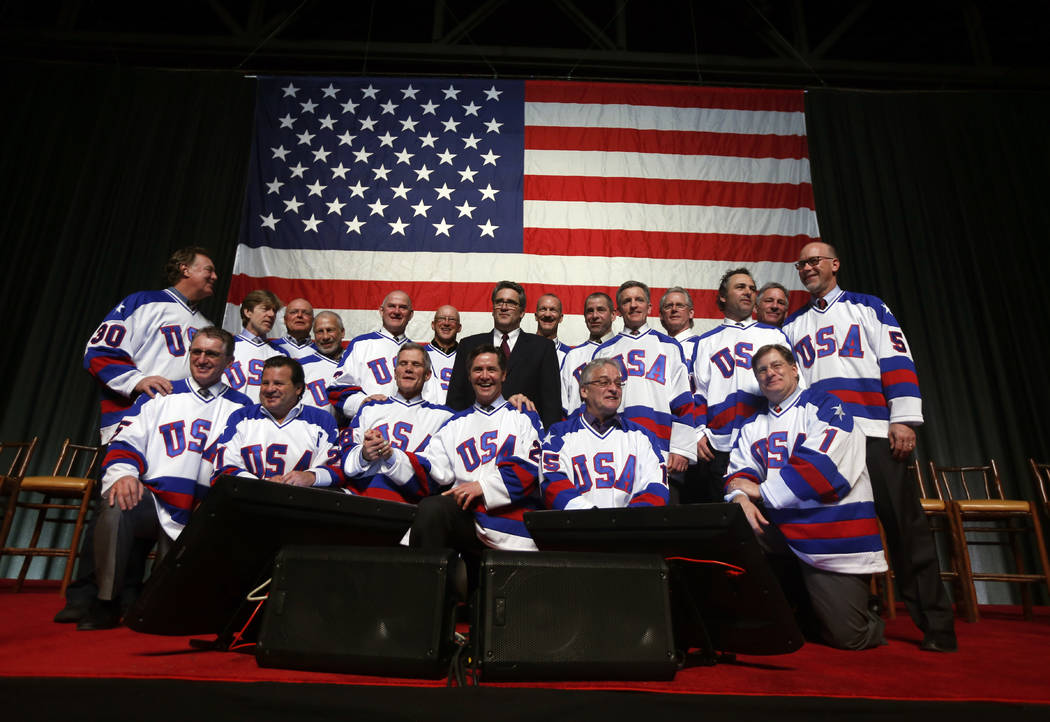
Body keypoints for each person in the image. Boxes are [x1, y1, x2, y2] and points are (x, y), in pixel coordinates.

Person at [781, 241, 956, 652]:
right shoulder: (792, 326)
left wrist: (903, 419)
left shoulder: (869, 307)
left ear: (834, 265)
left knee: (905, 529)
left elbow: (897, 361)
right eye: (801, 263)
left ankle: (937, 624)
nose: (806, 268)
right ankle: (847, 613)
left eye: (814, 261)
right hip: (827, 446)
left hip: (876, 433)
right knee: (833, 530)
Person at [76, 327, 251, 630]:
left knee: (166, 604)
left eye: (211, 354)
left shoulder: (244, 408)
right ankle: (106, 601)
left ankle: (154, 599)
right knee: (117, 501)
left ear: (229, 362)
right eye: (196, 352)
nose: (202, 359)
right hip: (153, 501)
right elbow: (125, 441)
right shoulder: (161, 394)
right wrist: (125, 475)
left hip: (205, 510)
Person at [724, 344, 887, 650]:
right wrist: (739, 498)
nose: (770, 373)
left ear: (795, 369)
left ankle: (868, 612)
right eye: (762, 370)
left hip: (830, 533)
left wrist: (760, 491)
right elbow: (737, 473)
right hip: (783, 532)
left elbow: (824, 468)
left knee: (848, 637)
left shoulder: (826, 405)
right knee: (734, 525)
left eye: (777, 366)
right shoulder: (753, 424)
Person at [374, 344, 543, 555]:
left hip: (508, 525)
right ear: (469, 375)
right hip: (464, 517)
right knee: (431, 509)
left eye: (491, 369)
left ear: (503, 375)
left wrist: (482, 486)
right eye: (477, 370)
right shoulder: (454, 424)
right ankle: (428, 585)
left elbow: (531, 466)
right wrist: (393, 456)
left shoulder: (523, 416)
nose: (484, 376)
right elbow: (434, 472)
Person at [84, 246, 218, 444]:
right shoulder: (143, 302)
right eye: (209, 270)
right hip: (134, 420)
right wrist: (136, 381)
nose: (215, 277)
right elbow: (100, 351)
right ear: (185, 269)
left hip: (181, 429)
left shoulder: (207, 327)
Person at [691, 268, 793, 503]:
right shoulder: (707, 341)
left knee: (772, 513)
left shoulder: (773, 335)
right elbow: (698, 394)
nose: (748, 292)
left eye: (751, 288)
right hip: (720, 443)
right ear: (723, 296)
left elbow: (795, 387)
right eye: (740, 287)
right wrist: (698, 432)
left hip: (768, 438)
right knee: (725, 521)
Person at [591, 281, 696, 474]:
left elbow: (683, 401)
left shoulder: (670, 346)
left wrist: (681, 449)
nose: (633, 305)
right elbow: (595, 408)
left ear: (649, 307)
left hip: (662, 449)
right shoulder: (604, 351)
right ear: (619, 310)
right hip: (615, 450)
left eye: (639, 300)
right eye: (627, 301)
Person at [541, 358, 668, 510]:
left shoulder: (642, 437)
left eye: (618, 383)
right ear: (584, 390)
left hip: (633, 531)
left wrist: (625, 522)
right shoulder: (559, 436)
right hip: (577, 530)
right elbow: (553, 485)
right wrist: (596, 520)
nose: (614, 388)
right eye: (604, 382)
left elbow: (657, 488)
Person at [341, 343, 453, 503]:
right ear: (395, 373)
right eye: (403, 364)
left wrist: (391, 455)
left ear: (427, 374)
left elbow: (439, 474)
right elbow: (346, 457)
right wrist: (364, 454)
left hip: (410, 508)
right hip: (359, 500)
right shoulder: (370, 408)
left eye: (416, 364)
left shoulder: (444, 417)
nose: (408, 369)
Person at [212, 356, 342, 488]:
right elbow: (223, 468)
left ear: (298, 388)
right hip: (247, 503)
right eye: (265, 383)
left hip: (301, 505)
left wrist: (312, 477)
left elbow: (337, 470)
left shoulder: (321, 421)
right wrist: (261, 486)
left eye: (278, 383)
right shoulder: (241, 417)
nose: (269, 389)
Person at [446, 281, 561, 429]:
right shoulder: (468, 345)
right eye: (499, 302)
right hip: (473, 433)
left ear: (522, 312)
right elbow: (456, 399)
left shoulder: (543, 348)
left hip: (523, 435)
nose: (504, 307)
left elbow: (551, 404)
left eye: (511, 303)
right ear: (493, 309)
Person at [328, 290, 413, 423]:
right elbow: (337, 389)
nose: (396, 311)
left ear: (411, 315)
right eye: (391, 306)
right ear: (381, 311)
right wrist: (362, 402)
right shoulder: (360, 344)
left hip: (409, 426)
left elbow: (431, 395)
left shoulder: (418, 352)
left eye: (403, 307)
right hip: (368, 427)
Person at [224, 289, 286, 403]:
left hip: (263, 418)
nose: (271, 314)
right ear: (247, 312)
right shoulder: (225, 345)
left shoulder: (280, 354)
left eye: (274, 310)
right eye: (265, 309)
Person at [560, 292, 615, 415]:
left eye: (600, 310)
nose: (595, 315)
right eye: (590, 311)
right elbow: (563, 406)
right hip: (578, 430)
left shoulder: (624, 350)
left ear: (613, 315)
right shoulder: (573, 356)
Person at [297, 310, 346, 416]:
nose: (325, 337)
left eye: (330, 330)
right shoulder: (300, 366)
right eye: (320, 331)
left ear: (342, 332)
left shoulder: (356, 360)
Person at [422, 305, 461, 405]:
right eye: (441, 319)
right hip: (427, 414)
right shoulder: (420, 355)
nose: (446, 323)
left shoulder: (467, 356)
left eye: (452, 319)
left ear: (459, 327)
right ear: (433, 325)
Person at [659, 286, 701, 371]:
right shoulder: (655, 347)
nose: (674, 309)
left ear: (691, 313)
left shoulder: (702, 345)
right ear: (661, 316)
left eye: (680, 305)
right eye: (668, 306)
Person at [534, 293, 572, 366]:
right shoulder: (521, 350)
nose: (547, 314)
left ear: (561, 318)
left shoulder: (570, 355)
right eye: (543, 309)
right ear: (536, 316)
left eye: (553, 310)